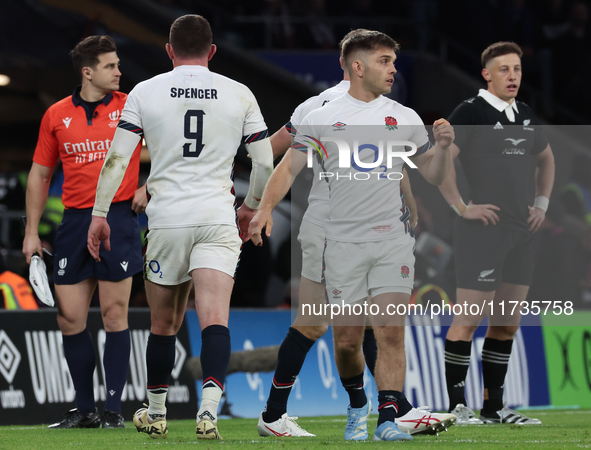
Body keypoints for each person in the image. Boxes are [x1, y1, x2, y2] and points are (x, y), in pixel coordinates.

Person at [250, 30, 456, 441]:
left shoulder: (402, 115)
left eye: (393, 61)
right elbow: (279, 155)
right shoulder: (318, 108)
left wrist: (422, 189)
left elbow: (409, 168)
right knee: (327, 329)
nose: (393, 69)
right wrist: (259, 205)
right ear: (356, 65)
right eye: (384, 61)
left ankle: (389, 412)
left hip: (384, 233)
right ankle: (315, 409)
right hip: (329, 230)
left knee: (382, 326)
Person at [87, 15, 273, 440]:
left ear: (169, 50)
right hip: (216, 217)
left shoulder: (145, 91)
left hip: (167, 219)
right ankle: (208, 412)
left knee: (163, 324)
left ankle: (156, 413)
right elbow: (263, 162)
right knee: (214, 319)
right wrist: (251, 207)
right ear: (211, 52)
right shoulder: (239, 93)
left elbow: (117, 160)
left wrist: (100, 213)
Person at [22, 35, 145, 429]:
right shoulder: (56, 115)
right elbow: (41, 174)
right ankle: (84, 409)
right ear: (87, 72)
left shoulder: (131, 106)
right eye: (111, 66)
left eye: (118, 64)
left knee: (114, 315)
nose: (119, 72)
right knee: (70, 319)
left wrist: (149, 186)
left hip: (119, 218)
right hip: (74, 223)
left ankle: (113, 411)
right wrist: (30, 232)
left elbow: (167, 150)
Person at [438, 41, 554, 425]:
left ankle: (494, 408)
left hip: (522, 233)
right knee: (469, 320)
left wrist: (542, 205)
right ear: (486, 73)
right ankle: (457, 407)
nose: (513, 76)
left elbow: (547, 158)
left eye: (517, 69)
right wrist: (462, 207)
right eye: (504, 70)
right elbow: (441, 164)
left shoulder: (525, 114)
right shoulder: (470, 112)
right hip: (482, 231)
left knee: (506, 323)